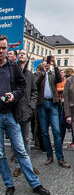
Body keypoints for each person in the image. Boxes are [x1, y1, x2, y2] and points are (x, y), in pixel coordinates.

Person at [0, 35, 50, 195]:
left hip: (11, 115)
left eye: (3, 48)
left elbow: (23, 86)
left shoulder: (12, 67)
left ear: (7, 49)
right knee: (0, 154)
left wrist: (14, 95)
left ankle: (35, 184)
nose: (1, 51)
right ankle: (9, 184)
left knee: (21, 150)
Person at [35, 56, 71, 168]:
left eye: (48, 62)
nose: (46, 64)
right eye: (45, 62)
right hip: (41, 104)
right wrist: (43, 73)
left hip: (53, 104)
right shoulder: (37, 74)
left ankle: (60, 158)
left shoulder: (52, 74)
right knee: (44, 132)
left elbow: (60, 79)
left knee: (56, 131)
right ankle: (49, 156)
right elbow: (35, 84)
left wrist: (55, 65)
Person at [11, 49, 38, 177]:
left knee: (27, 139)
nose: (22, 54)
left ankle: (27, 164)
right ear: (17, 57)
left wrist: (31, 106)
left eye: (24, 53)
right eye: (20, 53)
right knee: (16, 140)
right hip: (14, 110)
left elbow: (34, 92)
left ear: (27, 58)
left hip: (26, 111)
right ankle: (17, 165)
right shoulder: (12, 72)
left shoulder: (30, 75)